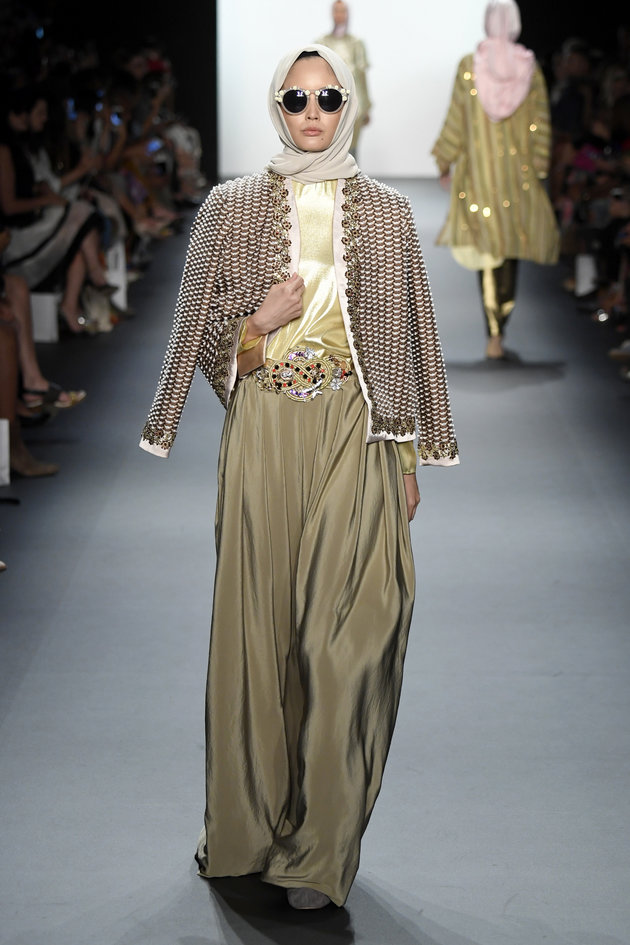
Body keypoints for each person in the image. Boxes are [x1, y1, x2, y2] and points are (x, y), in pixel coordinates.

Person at [140, 44, 458, 911]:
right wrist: (258, 322)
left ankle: (318, 852)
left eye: (326, 98)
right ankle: (249, 827)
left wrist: (407, 455)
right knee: (261, 637)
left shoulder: (388, 213)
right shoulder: (230, 206)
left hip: (355, 429)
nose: (312, 113)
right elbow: (199, 337)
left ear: (347, 105)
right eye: (296, 98)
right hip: (266, 428)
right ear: (277, 107)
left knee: (348, 641)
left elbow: (409, 336)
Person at [431, 0, 560, 359]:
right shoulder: (529, 68)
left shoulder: (470, 66)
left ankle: (494, 332)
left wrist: (444, 160)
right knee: (508, 249)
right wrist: (540, 168)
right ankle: (500, 324)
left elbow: (457, 118)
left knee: (489, 249)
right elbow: (541, 123)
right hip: (517, 177)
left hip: (479, 174)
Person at [316, 1, 371, 157]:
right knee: (330, 150)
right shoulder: (322, 42)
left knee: (352, 150)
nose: (339, 15)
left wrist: (367, 106)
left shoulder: (356, 43)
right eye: (336, 11)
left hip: (354, 104)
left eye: (343, 11)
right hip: (328, 104)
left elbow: (362, 76)